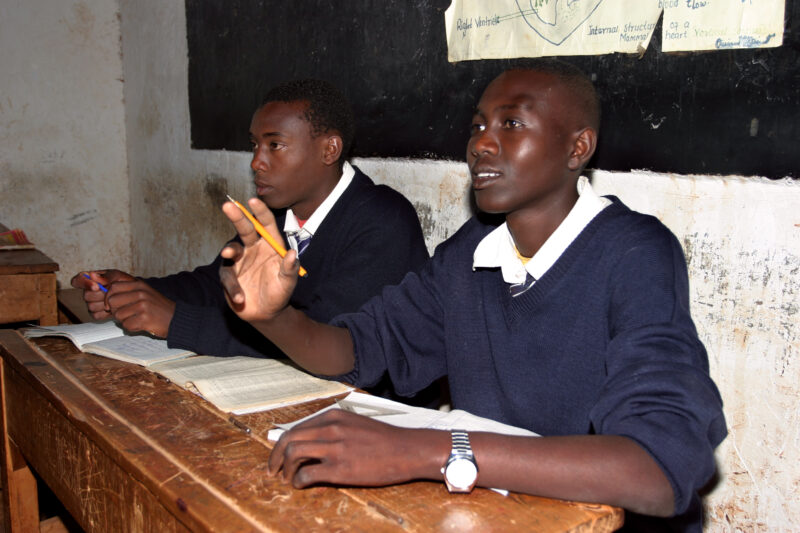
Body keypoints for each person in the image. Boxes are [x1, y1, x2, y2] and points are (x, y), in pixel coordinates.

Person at [218, 61, 726, 531]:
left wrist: (428, 450)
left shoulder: (633, 252)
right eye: (477, 126)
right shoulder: (472, 254)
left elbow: (657, 469)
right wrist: (274, 317)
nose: (481, 144)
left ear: (578, 148)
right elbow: (361, 347)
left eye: (511, 125)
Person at [70, 79, 429, 362]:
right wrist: (139, 292)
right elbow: (218, 285)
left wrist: (174, 320)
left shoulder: (383, 221)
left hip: (366, 412)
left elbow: (323, 337)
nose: (257, 161)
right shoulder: (273, 215)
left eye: (275, 145)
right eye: (255, 144)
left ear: (329, 150)